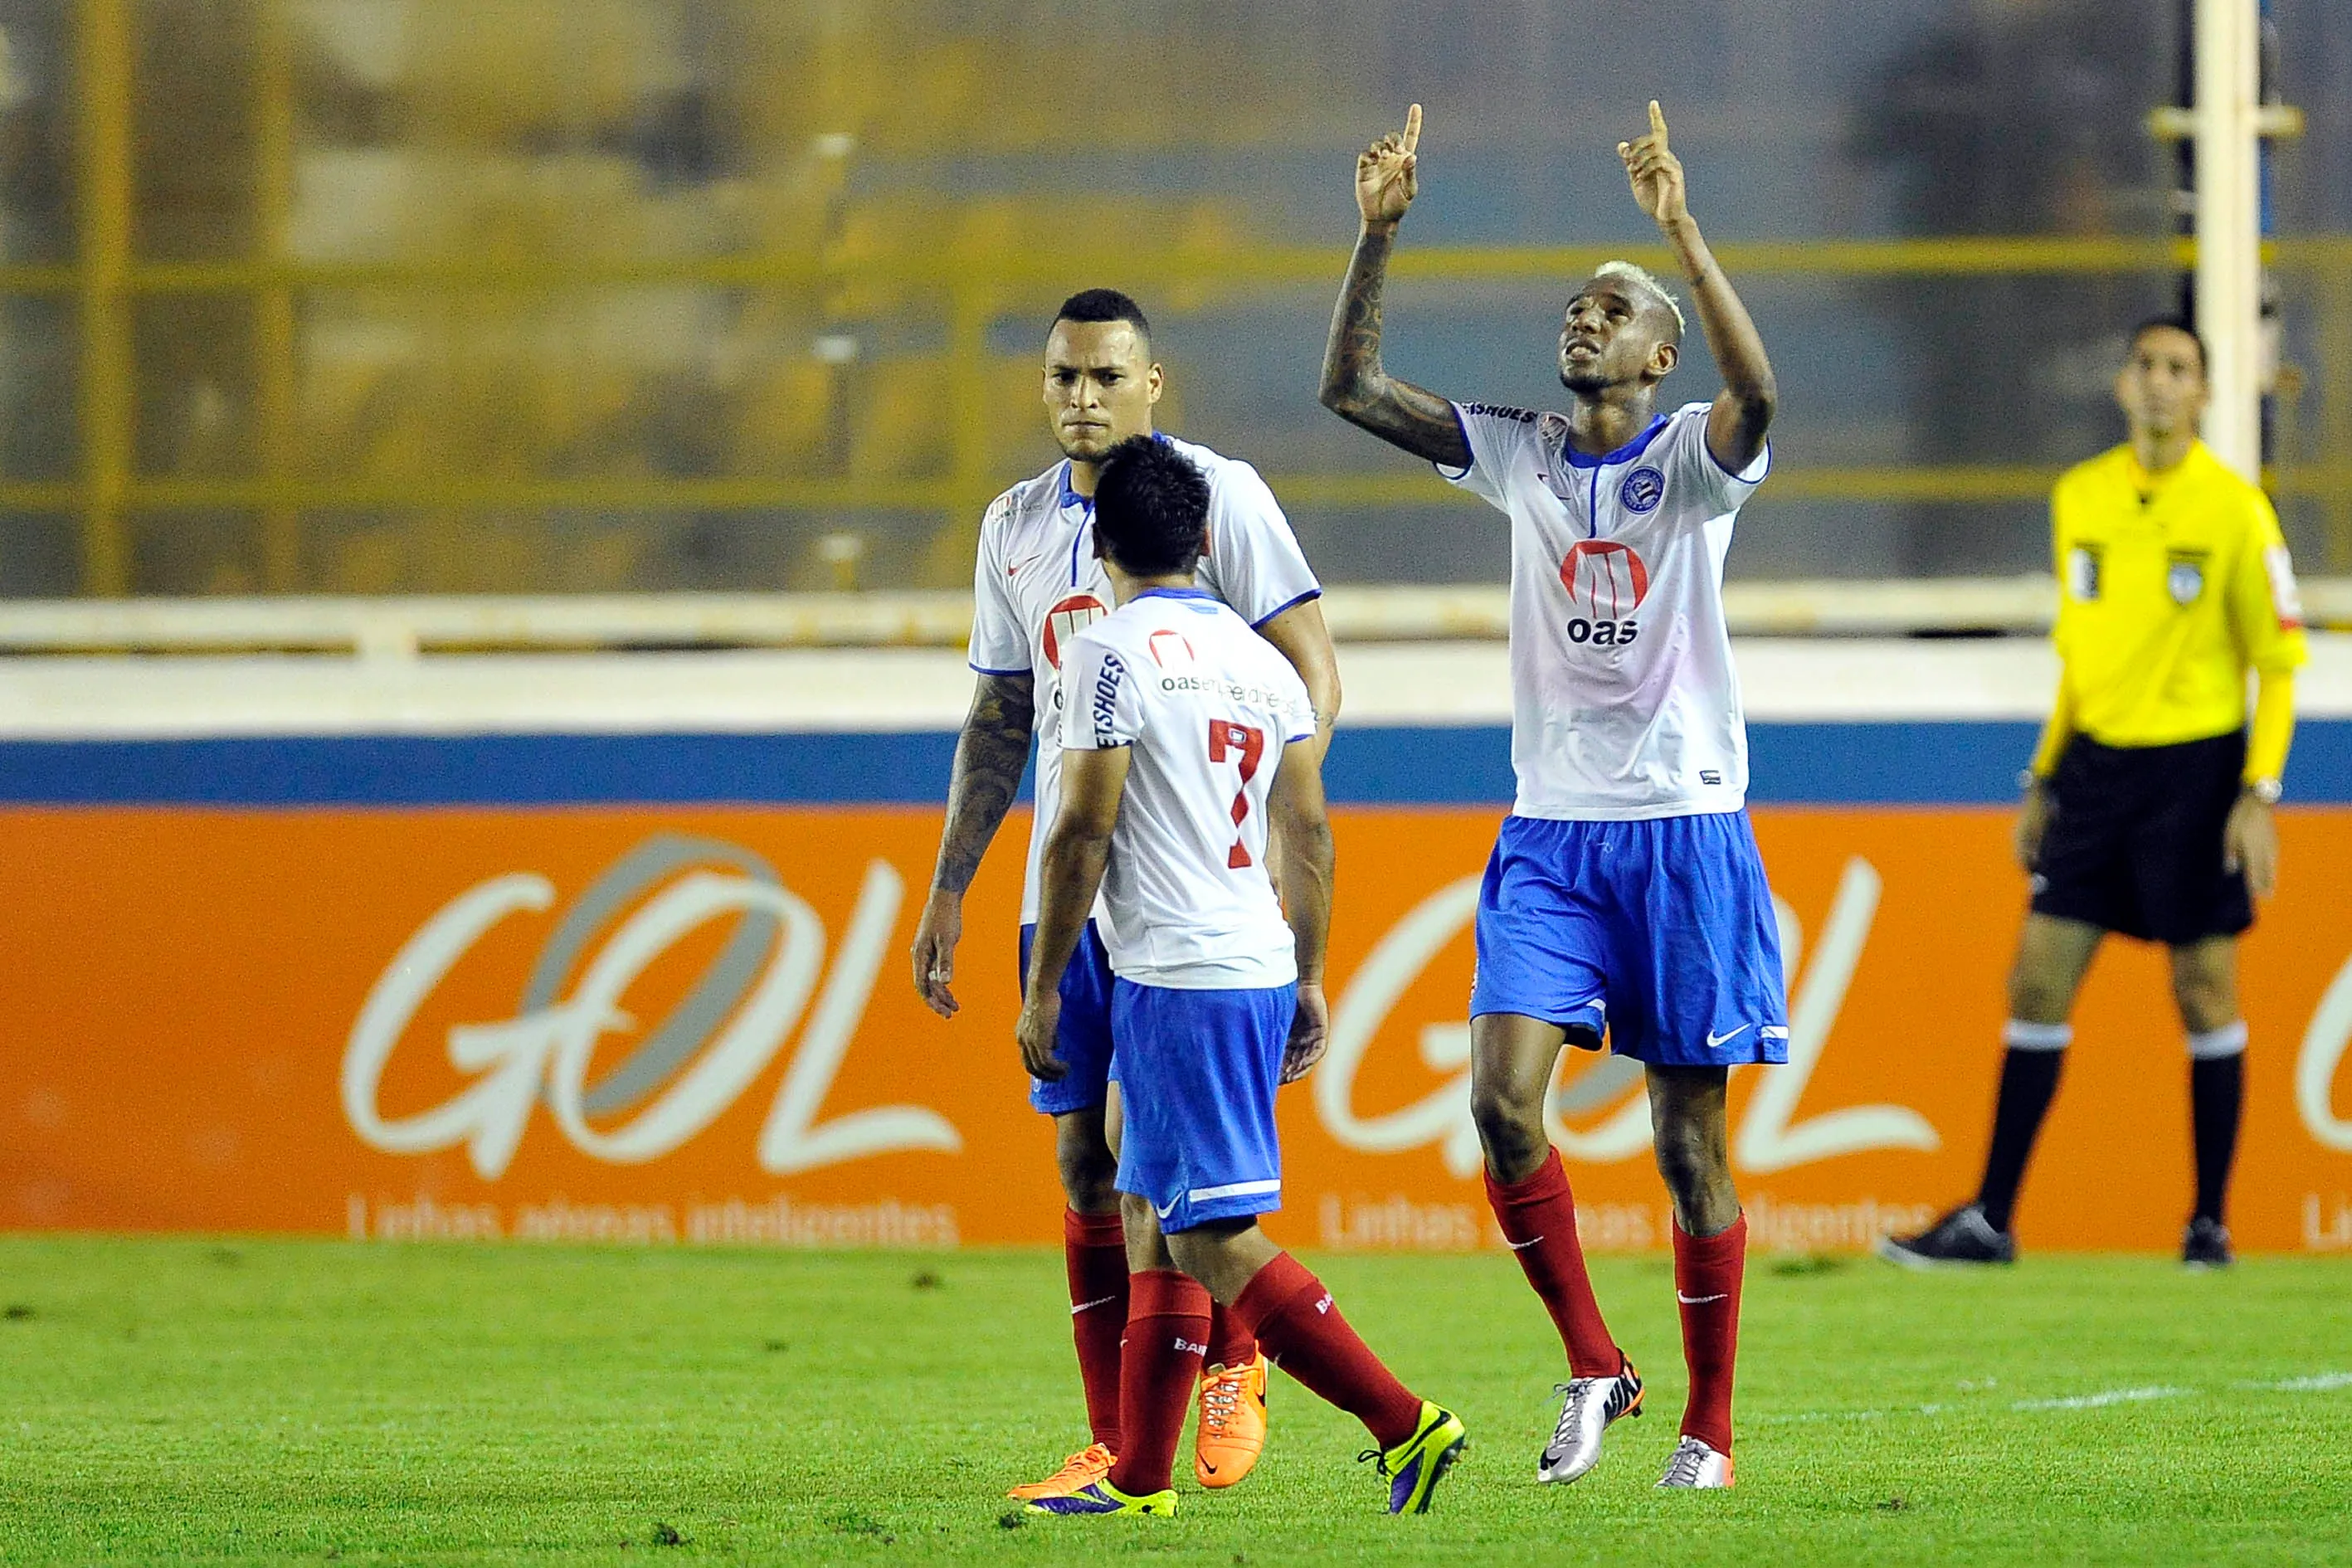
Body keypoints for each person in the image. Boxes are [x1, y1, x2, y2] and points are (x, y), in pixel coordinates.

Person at [1319, 101, 1782, 1491]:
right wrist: (1376, 237)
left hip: (1684, 831)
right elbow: (1353, 390)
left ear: (1660, 352)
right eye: (1574, 310)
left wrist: (1681, 233)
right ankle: (1596, 1360)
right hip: (1551, 841)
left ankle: (1710, 1424)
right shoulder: (1522, 456)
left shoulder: (1695, 464)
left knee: (1685, 1143)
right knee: (1503, 1103)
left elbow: (1764, 399)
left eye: (1612, 310)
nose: (1581, 324)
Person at [910, 289, 1341, 1501]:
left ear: (1154, 384)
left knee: (1170, 1166)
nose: (1081, 397)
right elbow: (1000, 714)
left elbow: (1310, 677)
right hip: (1068, 884)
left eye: (1106, 376)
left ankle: (1235, 1362)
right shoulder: (1011, 527)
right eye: (1062, 378)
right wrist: (952, 884)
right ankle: (1112, 1439)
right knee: (1081, 1162)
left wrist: (1245, 823)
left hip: (1188, 891)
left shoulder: (1213, 497)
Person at [1019, 436, 1468, 1518]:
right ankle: (1139, 1475)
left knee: (1212, 1230)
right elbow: (1305, 826)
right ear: (1207, 539)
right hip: (1251, 956)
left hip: (1177, 973)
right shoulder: (1265, 666)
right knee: (1146, 1205)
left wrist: (1041, 985)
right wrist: (1308, 973)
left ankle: (1402, 1420)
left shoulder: (1105, 653)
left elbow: (1081, 826)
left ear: (1098, 540)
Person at [1878, 318, 2306, 1273]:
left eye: (2179, 371)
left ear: (2202, 393)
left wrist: (2259, 791)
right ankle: (1991, 1219)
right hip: (2096, 773)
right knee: (2036, 977)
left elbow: (2276, 664)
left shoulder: (2236, 511)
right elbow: (2081, 656)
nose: (2159, 384)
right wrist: (2045, 775)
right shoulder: (2082, 497)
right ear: (2123, 385)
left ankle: (2209, 1225)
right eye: (2147, 367)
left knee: (2203, 991)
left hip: (2196, 770)